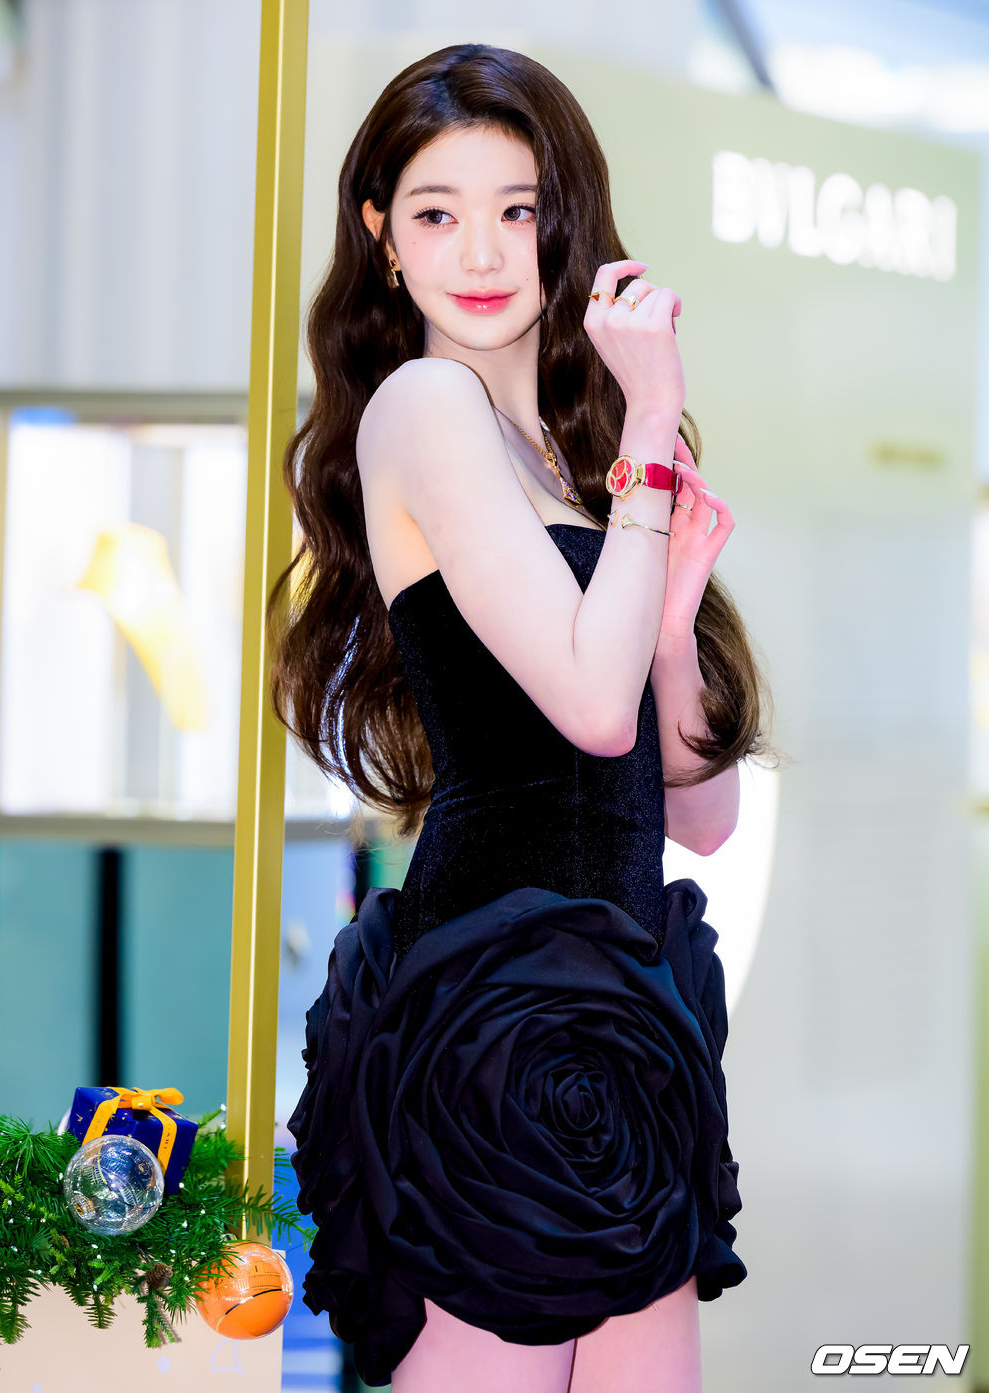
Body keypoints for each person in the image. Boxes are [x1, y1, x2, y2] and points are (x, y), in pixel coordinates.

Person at [271, 41, 777, 1393]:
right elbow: (590, 710)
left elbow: (702, 810)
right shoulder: (424, 405)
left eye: (518, 207)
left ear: (568, 221)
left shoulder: (573, 451)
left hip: (621, 1004)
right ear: (381, 237)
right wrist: (656, 427)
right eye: (437, 212)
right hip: (489, 1009)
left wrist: (668, 616)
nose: (484, 251)